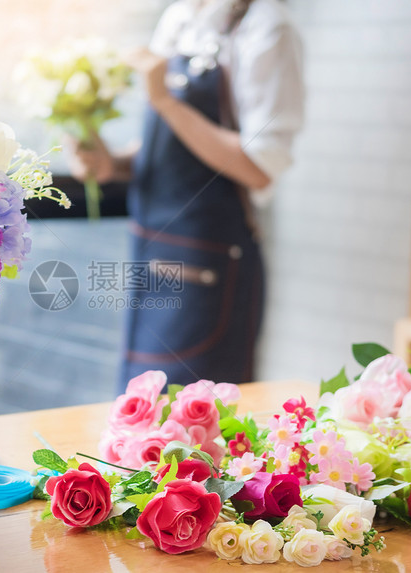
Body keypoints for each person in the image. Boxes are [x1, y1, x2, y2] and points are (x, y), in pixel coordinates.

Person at [70, 0, 304, 390]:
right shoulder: (180, 18)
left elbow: (260, 167)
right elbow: (165, 146)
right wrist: (111, 162)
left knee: (193, 419)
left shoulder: (267, 27)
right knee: (138, 406)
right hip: (151, 254)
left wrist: (164, 101)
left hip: (209, 264)